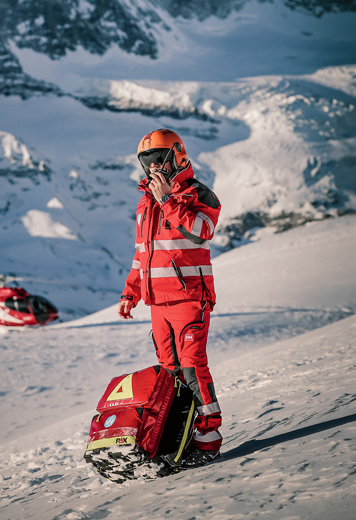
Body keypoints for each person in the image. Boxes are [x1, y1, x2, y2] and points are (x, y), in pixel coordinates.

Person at [118, 128, 222, 467]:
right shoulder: (144, 203)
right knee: (171, 373)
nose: (152, 168)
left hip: (189, 298)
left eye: (158, 159)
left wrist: (167, 199)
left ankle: (209, 441)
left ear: (177, 155)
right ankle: (178, 439)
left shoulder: (199, 194)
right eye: (146, 162)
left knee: (193, 368)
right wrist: (130, 292)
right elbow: (141, 254)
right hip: (158, 303)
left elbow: (200, 232)